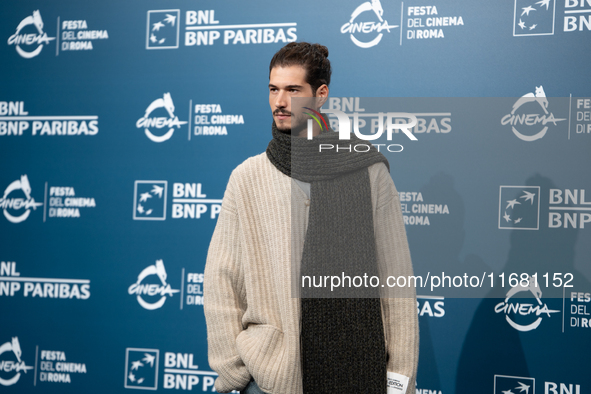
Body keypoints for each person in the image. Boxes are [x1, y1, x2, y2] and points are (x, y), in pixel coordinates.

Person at [204, 42, 418, 394]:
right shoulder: (247, 177)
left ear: (320, 95)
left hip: (359, 375)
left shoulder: (367, 170)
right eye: (273, 89)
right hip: (271, 380)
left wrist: (399, 380)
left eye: (292, 90)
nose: (279, 102)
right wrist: (234, 370)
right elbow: (221, 282)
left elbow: (396, 281)